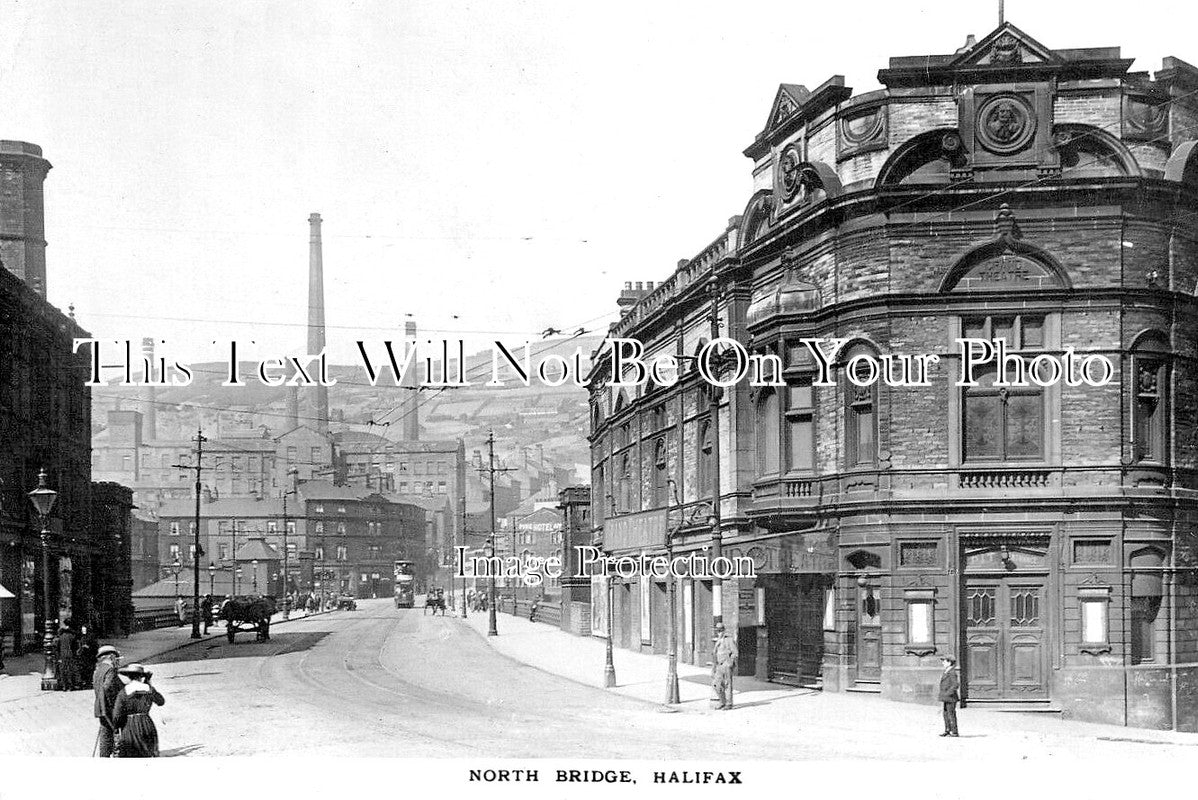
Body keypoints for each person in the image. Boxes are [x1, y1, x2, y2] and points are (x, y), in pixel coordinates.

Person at [112, 663, 165, 758]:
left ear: (128, 676)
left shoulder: (124, 692)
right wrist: (148, 683)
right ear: (141, 676)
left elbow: (117, 715)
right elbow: (161, 701)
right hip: (146, 723)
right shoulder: (149, 689)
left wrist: (117, 726)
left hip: (130, 725)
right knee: (148, 753)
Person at [92, 645, 122, 757]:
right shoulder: (110, 670)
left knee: (105, 733)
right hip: (109, 707)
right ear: (111, 656)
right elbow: (108, 687)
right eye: (115, 658)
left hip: (100, 707)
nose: (116, 661)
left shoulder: (98, 670)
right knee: (115, 732)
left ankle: (104, 756)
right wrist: (115, 702)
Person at [712, 626, 738, 710]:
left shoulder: (729, 640)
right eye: (717, 631)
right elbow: (715, 654)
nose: (719, 632)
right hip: (719, 665)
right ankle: (722, 701)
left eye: (720, 630)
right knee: (716, 684)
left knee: (727, 684)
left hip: (726, 664)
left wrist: (730, 662)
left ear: (724, 630)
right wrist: (714, 668)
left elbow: (735, 653)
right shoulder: (717, 641)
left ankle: (729, 703)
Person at [938, 655, 960, 737]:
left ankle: (954, 731)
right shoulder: (946, 671)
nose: (943, 663)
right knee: (945, 713)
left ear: (949, 662)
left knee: (951, 714)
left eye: (944, 661)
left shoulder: (952, 672)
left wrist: (948, 693)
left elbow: (955, 685)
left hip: (950, 697)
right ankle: (947, 729)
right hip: (946, 697)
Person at [56, 622, 80, 691]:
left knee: (63, 671)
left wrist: (59, 657)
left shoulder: (60, 638)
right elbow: (75, 646)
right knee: (70, 670)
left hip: (63, 655)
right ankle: (70, 686)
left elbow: (57, 648)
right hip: (70, 654)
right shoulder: (72, 637)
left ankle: (64, 686)